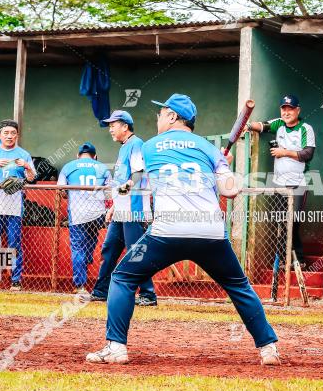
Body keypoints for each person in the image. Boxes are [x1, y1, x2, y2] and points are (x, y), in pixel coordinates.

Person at [86, 93, 280, 365]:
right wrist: (222, 167)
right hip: (210, 233)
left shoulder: (149, 146)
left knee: (122, 278)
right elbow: (231, 190)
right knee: (239, 286)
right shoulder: (209, 148)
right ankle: (268, 349)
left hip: (167, 233)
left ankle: (116, 347)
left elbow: (135, 180)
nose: (158, 118)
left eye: (161, 113)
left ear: (173, 117)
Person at [90, 110, 158, 307]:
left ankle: (148, 294)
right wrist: (113, 207)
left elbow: (138, 173)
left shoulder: (136, 144)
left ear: (125, 127)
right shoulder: (123, 148)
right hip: (121, 211)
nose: (110, 129)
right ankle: (101, 291)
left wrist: (128, 186)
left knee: (136, 252)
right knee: (109, 250)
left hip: (134, 209)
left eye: (113, 125)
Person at [247, 94, 316, 263]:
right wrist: (247, 126)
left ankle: (298, 259)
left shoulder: (305, 128)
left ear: (297, 110)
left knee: (293, 222)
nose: (286, 112)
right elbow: (262, 126)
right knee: (281, 222)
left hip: (298, 183)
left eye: (290, 109)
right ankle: (283, 259)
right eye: (284, 109)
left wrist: (284, 152)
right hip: (279, 183)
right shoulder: (279, 124)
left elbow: (308, 154)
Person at [0, 120, 36, 291]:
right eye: (6, 133)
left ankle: (15, 281)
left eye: (13, 133)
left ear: (17, 135)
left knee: (14, 243)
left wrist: (26, 167)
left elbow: (32, 180)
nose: (9, 136)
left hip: (14, 206)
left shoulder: (23, 154)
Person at [58, 142, 111, 296]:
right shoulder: (102, 167)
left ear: (78, 155)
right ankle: (87, 260)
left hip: (77, 214)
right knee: (91, 240)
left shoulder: (69, 166)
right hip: (97, 213)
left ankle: (80, 285)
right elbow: (109, 194)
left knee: (77, 248)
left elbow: (61, 190)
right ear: (95, 156)